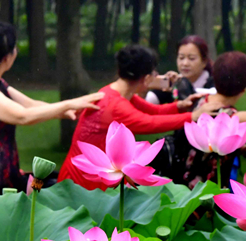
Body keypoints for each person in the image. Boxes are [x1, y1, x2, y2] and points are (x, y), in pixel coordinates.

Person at [0, 22, 103, 197]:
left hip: (4, 169)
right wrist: (69, 104)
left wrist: (63, 112)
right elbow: (23, 116)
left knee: (50, 185)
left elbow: (31, 105)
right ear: (7, 57)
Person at [57, 44, 220, 191]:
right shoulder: (116, 105)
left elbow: (152, 111)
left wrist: (178, 106)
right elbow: (150, 123)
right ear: (147, 78)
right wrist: (193, 116)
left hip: (92, 172)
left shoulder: (115, 92)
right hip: (81, 180)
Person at [167, 50, 246, 188]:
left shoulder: (200, 101)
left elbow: (212, 141)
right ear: (243, 89)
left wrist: (242, 149)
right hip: (205, 196)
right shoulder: (226, 115)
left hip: (184, 183)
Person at [146, 35, 216, 106]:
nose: (185, 64)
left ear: (204, 62)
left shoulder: (214, 83)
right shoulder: (173, 84)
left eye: (191, 58)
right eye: (181, 58)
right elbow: (147, 104)